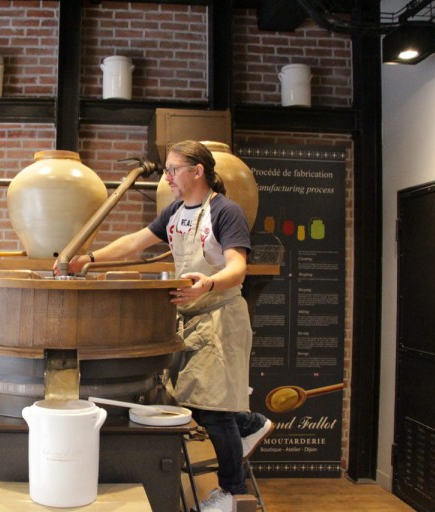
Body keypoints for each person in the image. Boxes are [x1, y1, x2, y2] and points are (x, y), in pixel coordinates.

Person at [54, 140, 273, 512]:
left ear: (197, 171)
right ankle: (250, 423)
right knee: (195, 399)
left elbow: (238, 267)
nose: (167, 177)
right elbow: (134, 242)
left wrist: (209, 282)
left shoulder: (226, 211)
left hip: (220, 317)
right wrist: (87, 260)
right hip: (188, 317)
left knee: (212, 409)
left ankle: (231, 492)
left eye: (173, 170)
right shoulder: (176, 212)